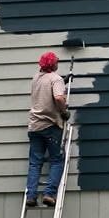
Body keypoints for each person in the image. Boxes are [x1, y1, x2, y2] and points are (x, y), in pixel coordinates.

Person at [26, 51, 69, 208]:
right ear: (53, 64)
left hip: (34, 126)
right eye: (56, 61)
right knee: (56, 160)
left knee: (35, 163)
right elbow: (58, 97)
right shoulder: (56, 79)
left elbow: (46, 88)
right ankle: (49, 194)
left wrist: (63, 81)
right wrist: (64, 111)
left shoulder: (36, 78)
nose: (58, 63)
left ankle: (31, 196)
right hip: (50, 126)